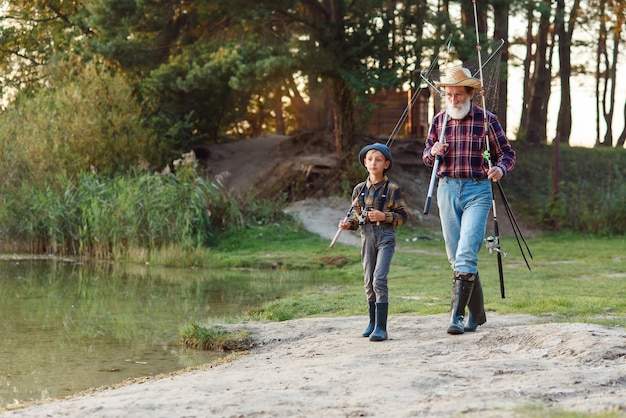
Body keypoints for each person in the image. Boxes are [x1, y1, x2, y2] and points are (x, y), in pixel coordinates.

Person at [423, 67, 516, 335]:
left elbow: (507, 154)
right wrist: (433, 152)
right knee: (455, 256)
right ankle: (477, 312)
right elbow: (427, 157)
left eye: (458, 94)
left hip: (478, 190)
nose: (453, 99)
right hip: (447, 188)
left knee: (466, 252)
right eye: (449, 94)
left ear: (471, 94)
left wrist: (500, 169)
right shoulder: (439, 121)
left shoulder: (488, 121)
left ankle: (456, 317)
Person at [338, 143, 408, 341]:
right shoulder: (359, 190)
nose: (373, 163)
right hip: (366, 237)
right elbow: (355, 215)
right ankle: (372, 321)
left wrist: (383, 216)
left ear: (386, 164)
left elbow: (402, 216)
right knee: (368, 281)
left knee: (379, 279)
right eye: (370, 159)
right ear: (365, 163)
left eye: (378, 159)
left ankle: (382, 327)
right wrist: (347, 224)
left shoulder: (393, 188)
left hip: (385, 237)